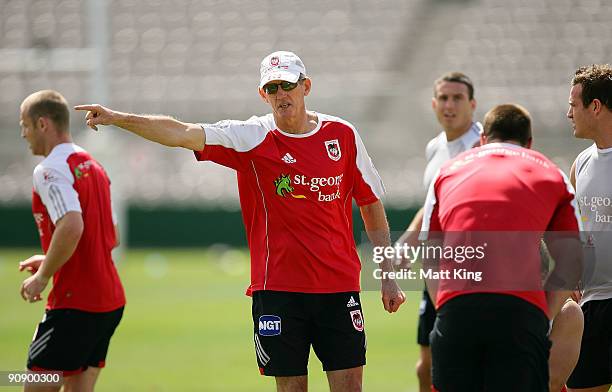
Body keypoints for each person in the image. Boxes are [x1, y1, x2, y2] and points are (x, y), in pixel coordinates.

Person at [75, 50, 405, 392]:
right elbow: (182, 133)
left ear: (306, 86)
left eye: (287, 85)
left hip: (338, 288)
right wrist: (117, 118)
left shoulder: (343, 135)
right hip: (278, 290)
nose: (281, 94)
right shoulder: (250, 137)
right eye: (272, 88)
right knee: (291, 388)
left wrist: (388, 275)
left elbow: (370, 204)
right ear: (263, 94)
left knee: (350, 386)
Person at [420, 104, 582, 391]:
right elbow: (571, 261)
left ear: (483, 138)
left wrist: (445, 308)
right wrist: (542, 315)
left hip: (456, 310)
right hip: (520, 312)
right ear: (529, 143)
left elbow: (430, 256)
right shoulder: (552, 173)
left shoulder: (447, 172)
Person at [19, 90, 126, 392]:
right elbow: (110, 235)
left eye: (24, 125)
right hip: (109, 301)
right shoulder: (93, 165)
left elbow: (72, 225)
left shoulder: (50, 169)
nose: (24, 134)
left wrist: (43, 276)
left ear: (42, 124)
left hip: (75, 302)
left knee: (36, 385)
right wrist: (52, 256)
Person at [395, 72, 481, 392]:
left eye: (457, 98)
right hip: (437, 268)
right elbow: (432, 205)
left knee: (464, 362)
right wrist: (407, 241)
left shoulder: (483, 145)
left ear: (472, 105)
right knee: (426, 368)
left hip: (472, 269)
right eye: (443, 98)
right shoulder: (435, 148)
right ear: (434, 104)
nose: (449, 104)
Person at [565, 64, 612, 392]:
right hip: (590, 307)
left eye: (573, 105)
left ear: (595, 106)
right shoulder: (580, 163)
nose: (569, 113)